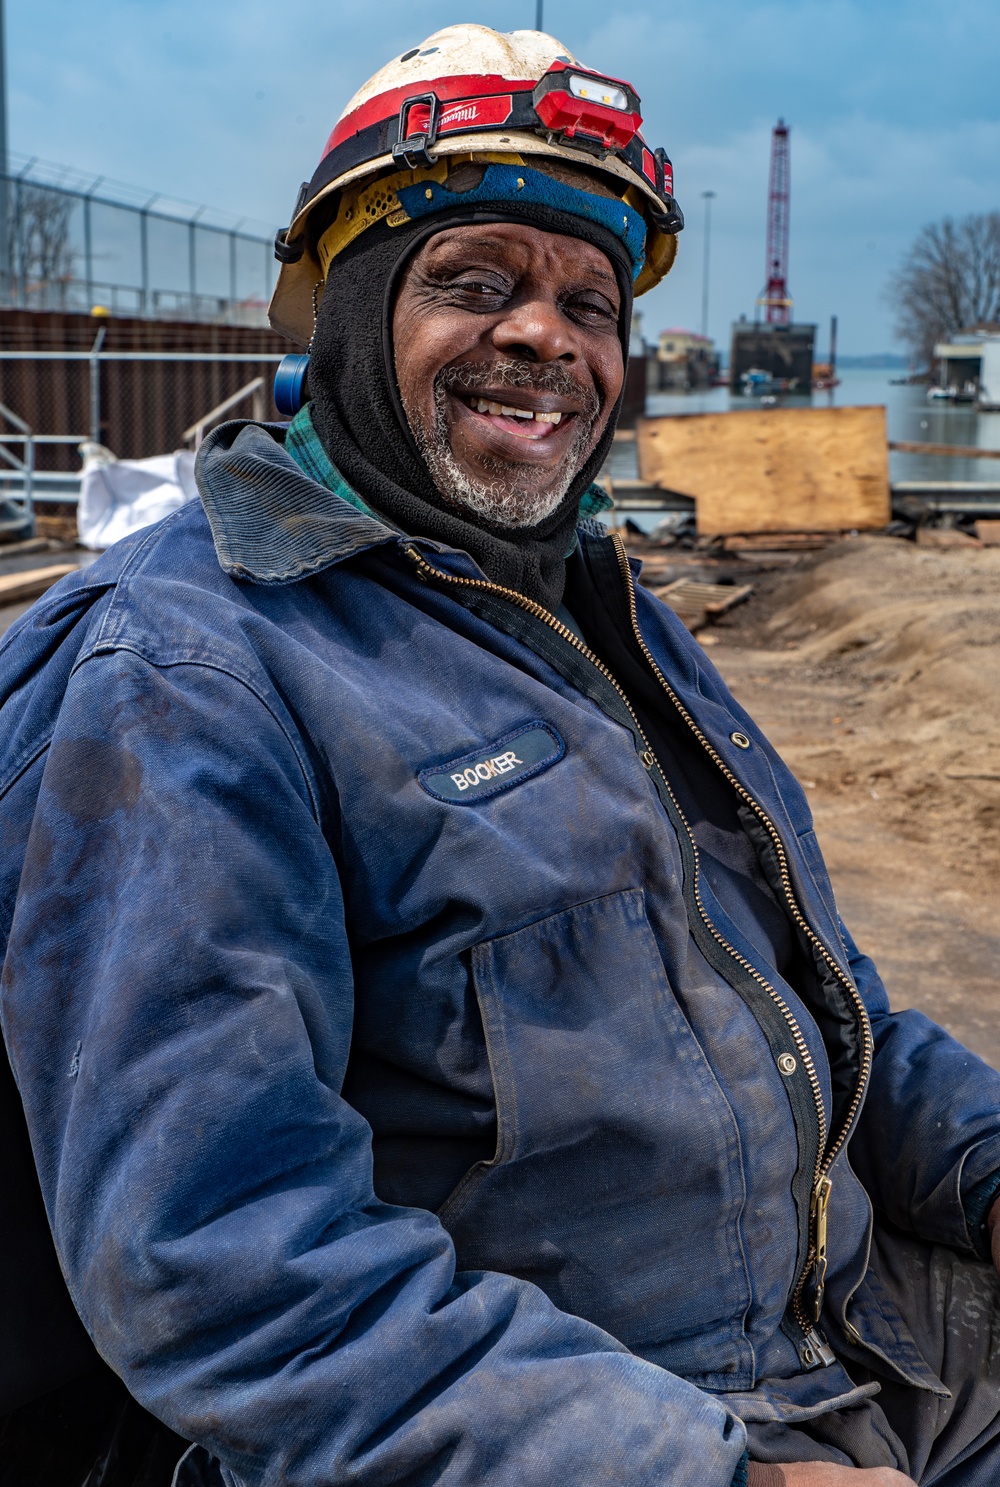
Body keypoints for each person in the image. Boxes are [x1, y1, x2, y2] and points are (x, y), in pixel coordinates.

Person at [0, 24, 999, 1487]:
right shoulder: (184, 679)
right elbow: (223, 1266)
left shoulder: (602, 615)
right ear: (345, 313)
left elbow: (820, 1005)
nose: (546, 336)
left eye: (588, 303)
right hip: (598, 1432)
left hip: (858, 1352)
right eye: (476, 283)